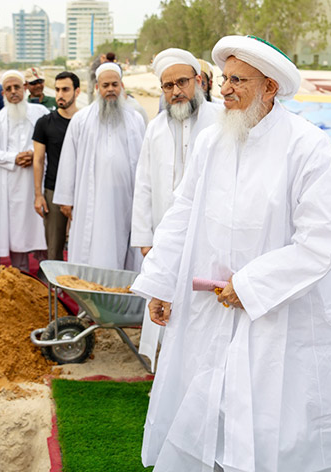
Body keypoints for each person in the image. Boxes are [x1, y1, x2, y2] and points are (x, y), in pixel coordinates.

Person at [131, 35, 331, 472]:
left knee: (273, 438)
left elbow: (321, 240)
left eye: (238, 80)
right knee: (212, 428)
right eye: (223, 79)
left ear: (270, 88)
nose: (225, 89)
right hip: (211, 319)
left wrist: (252, 285)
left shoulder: (307, 147)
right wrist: (161, 283)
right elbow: (182, 213)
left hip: (281, 322)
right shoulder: (213, 141)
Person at [132, 48, 222, 371]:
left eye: (182, 82)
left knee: (201, 315)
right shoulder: (155, 128)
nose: (176, 91)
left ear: (198, 81)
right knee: (166, 305)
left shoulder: (221, 120)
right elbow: (142, 185)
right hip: (165, 236)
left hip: (208, 238)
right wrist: (144, 236)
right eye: (168, 86)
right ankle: (167, 373)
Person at [54, 62, 145, 270]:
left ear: (122, 86)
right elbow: (69, 159)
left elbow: (143, 163)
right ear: (97, 88)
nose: (110, 89)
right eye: (105, 85)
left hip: (126, 200)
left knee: (125, 251)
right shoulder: (81, 120)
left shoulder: (135, 119)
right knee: (94, 249)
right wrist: (66, 199)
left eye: (114, 84)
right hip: (90, 201)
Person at [0, 70, 49, 272]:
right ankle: (20, 275)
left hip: (37, 181)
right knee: (16, 233)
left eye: (17, 87)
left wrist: (34, 154)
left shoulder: (40, 113)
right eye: (9, 89)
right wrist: (14, 158)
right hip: (10, 183)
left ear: (25, 88)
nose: (13, 92)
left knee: (41, 229)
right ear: (3, 93)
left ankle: (46, 273)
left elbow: (52, 141)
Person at [32, 71, 80, 261]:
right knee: (54, 246)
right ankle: (56, 290)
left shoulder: (86, 121)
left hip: (83, 190)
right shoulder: (44, 123)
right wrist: (38, 195)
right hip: (53, 190)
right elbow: (38, 160)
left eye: (65, 89)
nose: (60, 94)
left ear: (77, 91)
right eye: (57, 89)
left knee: (84, 244)